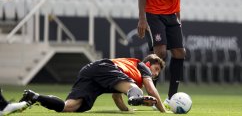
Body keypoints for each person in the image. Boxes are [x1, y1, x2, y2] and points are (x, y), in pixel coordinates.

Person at [19, 54, 167, 113]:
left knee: (69, 107)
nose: (155, 74)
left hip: (90, 71)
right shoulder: (143, 67)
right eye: (156, 69)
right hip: (106, 68)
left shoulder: (126, 73)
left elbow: (116, 97)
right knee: (134, 89)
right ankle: (135, 97)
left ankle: (35, 97)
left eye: (158, 73)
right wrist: (164, 111)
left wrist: (127, 110)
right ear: (149, 64)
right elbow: (151, 90)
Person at [137, 0, 186, 101]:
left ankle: (172, 96)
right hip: (154, 14)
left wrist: (178, 18)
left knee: (180, 53)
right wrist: (142, 19)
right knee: (161, 53)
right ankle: (151, 95)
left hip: (172, 16)